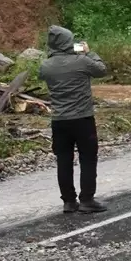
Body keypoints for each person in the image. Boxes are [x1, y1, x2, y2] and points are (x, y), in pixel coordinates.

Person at [37, 26, 108, 214]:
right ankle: (87, 199)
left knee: (64, 160)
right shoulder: (82, 61)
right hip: (83, 119)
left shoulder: (46, 66)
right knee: (87, 158)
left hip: (59, 121)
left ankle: (68, 201)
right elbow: (102, 70)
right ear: (68, 43)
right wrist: (89, 52)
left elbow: (42, 74)